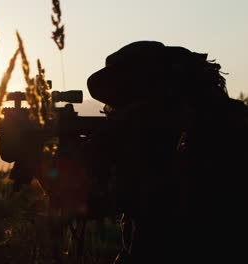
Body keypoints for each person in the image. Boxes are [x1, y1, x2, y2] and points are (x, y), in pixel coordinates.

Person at [87, 41, 248, 263]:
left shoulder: (211, 136)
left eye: (127, 102)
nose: (118, 113)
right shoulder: (187, 132)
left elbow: (172, 227)